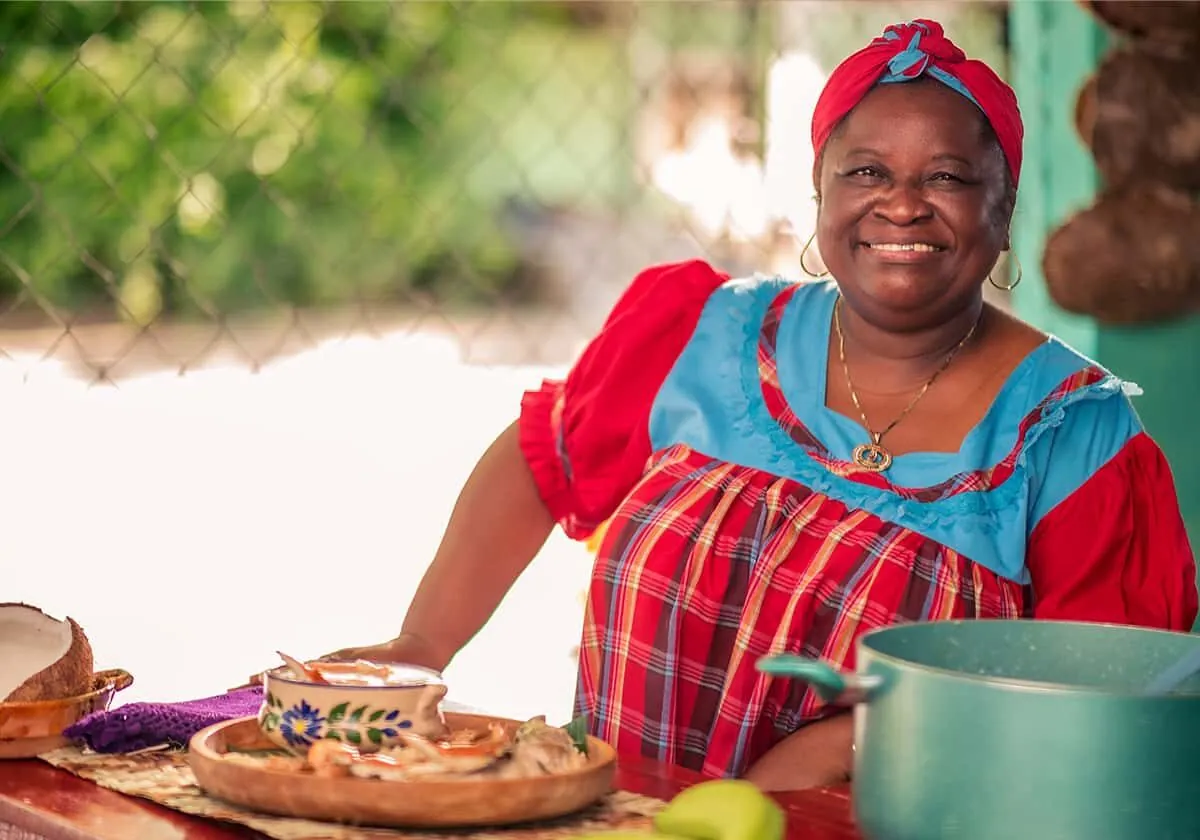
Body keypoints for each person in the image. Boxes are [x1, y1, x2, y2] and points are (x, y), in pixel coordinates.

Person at [326, 20, 1198, 790]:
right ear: (820, 193)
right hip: (624, 820)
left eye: (948, 176)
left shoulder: (1073, 437)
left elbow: (1094, 712)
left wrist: (858, 744)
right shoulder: (701, 335)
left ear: (1003, 210)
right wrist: (422, 646)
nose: (900, 202)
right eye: (866, 170)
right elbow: (537, 460)